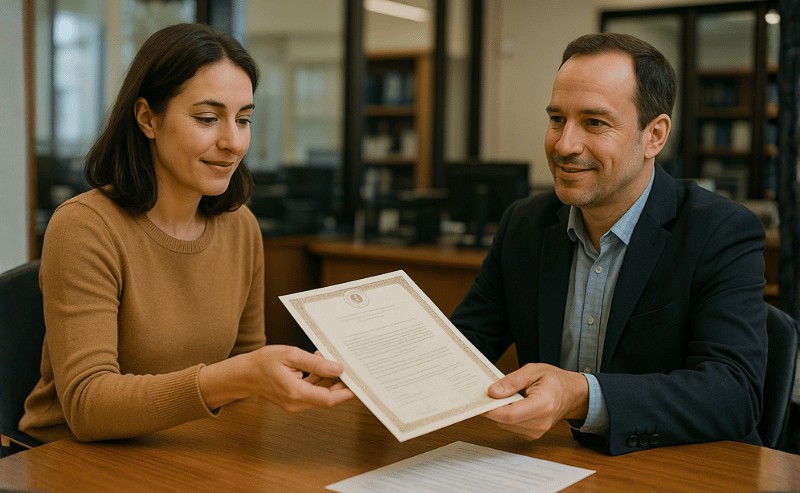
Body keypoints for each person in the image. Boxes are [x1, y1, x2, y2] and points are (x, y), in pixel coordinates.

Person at [20, 23, 353, 443]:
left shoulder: (241, 227)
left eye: (244, 119)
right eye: (208, 118)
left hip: (184, 445)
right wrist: (238, 377)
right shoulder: (85, 226)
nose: (233, 142)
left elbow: (245, 379)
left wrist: (286, 380)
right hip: (72, 460)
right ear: (147, 118)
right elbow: (88, 406)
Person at [451, 32, 768, 455]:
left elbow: (734, 394)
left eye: (594, 123)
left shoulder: (721, 231)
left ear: (654, 136)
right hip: (554, 461)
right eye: (557, 119)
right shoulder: (524, 224)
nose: (565, 145)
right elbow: (462, 344)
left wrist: (581, 395)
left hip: (678, 469)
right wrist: (360, 368)